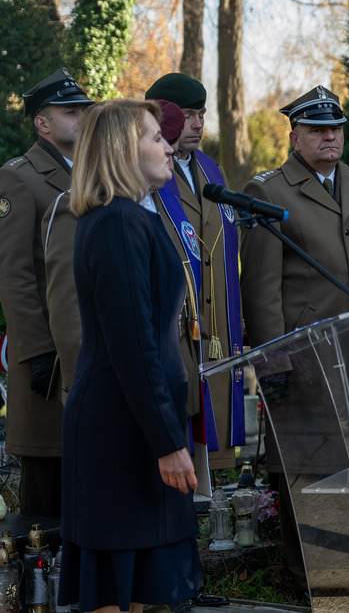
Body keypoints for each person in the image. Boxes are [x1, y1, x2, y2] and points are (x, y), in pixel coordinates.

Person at [240, 84, 349, 590]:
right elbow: (260, 289)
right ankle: (307, 569)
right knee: (307, 465)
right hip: (305, 357)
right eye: (317, 129)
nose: (329, 136)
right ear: (294, 136)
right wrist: (273, 364)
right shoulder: (268, 190)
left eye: (335, 128)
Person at [59, 99, 202, 611]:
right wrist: (167, 441)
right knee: (118, 595)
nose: (169, 145)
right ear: (123, 148)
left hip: (138, 424)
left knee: (139, 591)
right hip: (121, 433)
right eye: (154, 137)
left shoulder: (128, 216)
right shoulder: (118, 222)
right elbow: (133, 343)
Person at [0, 67, 93, 517]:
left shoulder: (95, 174)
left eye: (84, 111)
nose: (82, 118)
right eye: (71, 112)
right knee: (47, 496)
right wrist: (38, 352)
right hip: (49, 363)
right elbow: (14, 276)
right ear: (42, 122)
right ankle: (38, 587)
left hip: (91, 352)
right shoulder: (19, 178)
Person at [145, 73, 244, 473]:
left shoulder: (211, 169)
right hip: (175, 327)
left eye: (201, 114)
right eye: (187, 115)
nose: (198, 124)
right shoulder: (146, 173)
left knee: (216, 434)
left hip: (216, 320)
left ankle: (215, 498)